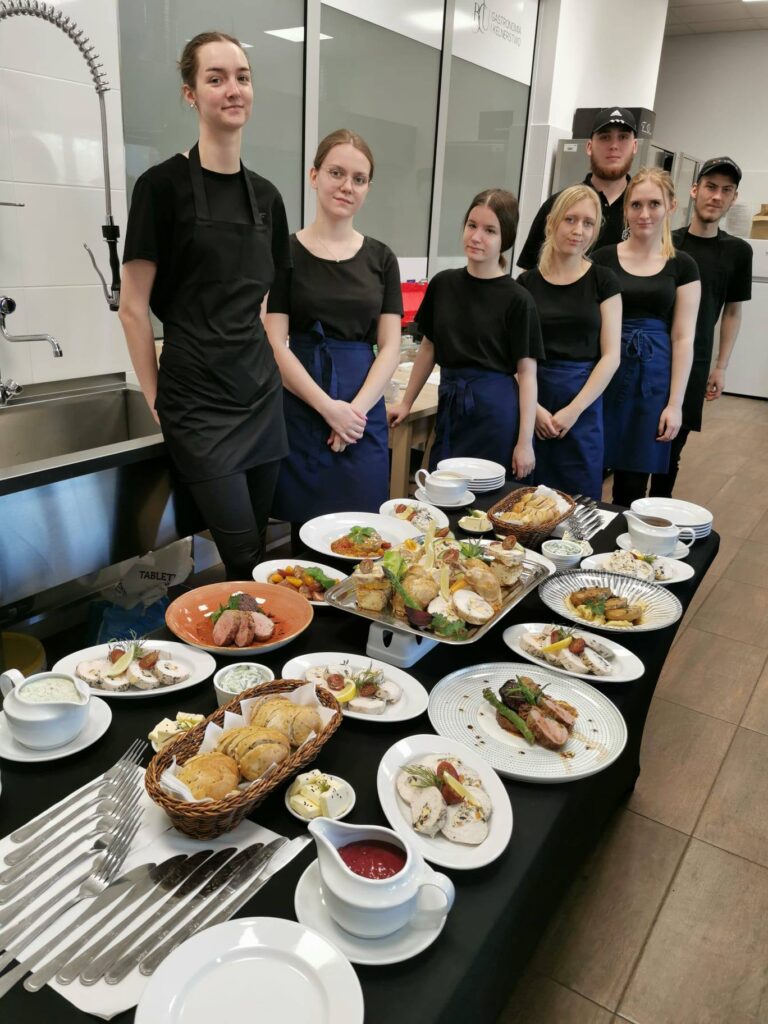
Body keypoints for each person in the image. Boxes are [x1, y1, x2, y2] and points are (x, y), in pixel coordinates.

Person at [119, 31, 291, 580]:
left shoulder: (267, 198)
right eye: (216, 79)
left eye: (242, 77)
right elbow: (132, 307)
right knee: (243, 554)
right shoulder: (160, 188)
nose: (233, 89)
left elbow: (265, 302)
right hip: (197, 405)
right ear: (191, 94)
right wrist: (156, 397)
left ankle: (244, 632)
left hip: (260, 398)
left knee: (256, 549)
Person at [265, 130, 402, 539]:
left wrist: (352, 415)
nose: (347, 186)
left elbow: (390, 346)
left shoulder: (382, 258)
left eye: (359, 179)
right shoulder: (285, 254)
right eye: (336, 173)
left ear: (368, 188)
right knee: (307, 539)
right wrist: (328, 409)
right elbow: (274, 342)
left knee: (364, 538)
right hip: (303, 405)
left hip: (363, 410)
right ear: (314, 176)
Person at [388, 189, 543, 479]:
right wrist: (406, 403)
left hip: (496, 414)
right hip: (451, 407)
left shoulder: (519, 299)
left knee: (490, 497)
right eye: (472, 225)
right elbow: (428, 348)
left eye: (490, 230)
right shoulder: (443, 284)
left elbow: (527, 374)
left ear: (506, 239)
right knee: (445, 489)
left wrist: (525, 442)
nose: (476, 237)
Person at [591, 167, 701, 507]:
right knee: (589, 466)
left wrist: (675, 404)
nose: (644, 213)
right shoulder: (602, 259)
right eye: (636, 204)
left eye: (654, 204)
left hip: (651, 382)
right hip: (604, 372)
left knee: (632, 483)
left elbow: (683, 338)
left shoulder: (683, 265)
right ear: (626, 208)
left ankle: (623, 541)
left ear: (671, 206)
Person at [650, 157, 753, 497]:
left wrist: (720, 366)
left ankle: (658, 514)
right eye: (710, 187)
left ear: (734, 197)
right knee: (639, 445)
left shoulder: (738, 252)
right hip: (652, 356)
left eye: (726, 190)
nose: (716, 196)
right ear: (695, 190)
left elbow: (732, 311)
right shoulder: (666, 243)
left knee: (671, 450)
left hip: (695, 362)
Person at [518, 185, 622, 500]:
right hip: (532, 399)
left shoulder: (604, 280)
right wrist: (535, 411)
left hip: (583, 405)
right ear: (552, 223)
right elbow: (512, 357)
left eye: (588, 223)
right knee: (526, 503)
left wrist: (573, 411)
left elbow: (611, 356)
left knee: (579, 505)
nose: (578, 230)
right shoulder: (526, 283)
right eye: (570, 219)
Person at [517, 107, 638, 271]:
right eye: (605, 137)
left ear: (634, 146)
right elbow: (529, 273)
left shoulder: (643, 210)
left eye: (623, 137)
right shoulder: (558, 205)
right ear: (589, 146)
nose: (614, 145)